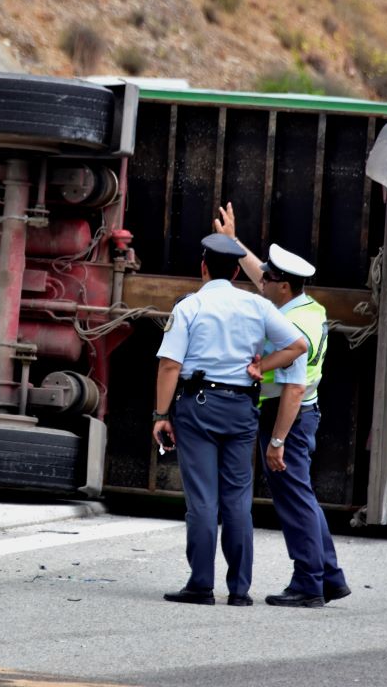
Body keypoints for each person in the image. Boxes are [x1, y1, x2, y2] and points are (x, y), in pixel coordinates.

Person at [152, 233, 307, 607]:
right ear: (237, 270)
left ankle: (201, 585)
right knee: (238, 500)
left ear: (203, 268)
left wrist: (161, 415)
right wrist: (261, 366)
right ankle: (239, 590)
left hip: (198, 407)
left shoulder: (190, 306)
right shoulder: (258, 306)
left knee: (203, 499)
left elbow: (171, 364)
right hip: (241, 409)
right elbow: (298, 345)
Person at [213, 202, 351, 609]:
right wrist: (233, 241)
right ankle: (328, 575)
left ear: (284, 287)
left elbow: (292, 389)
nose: (261, 282)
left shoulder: (294, 325)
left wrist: (277, 441)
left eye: (269, 279)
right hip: (297, 414)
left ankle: (309, 583)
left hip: (289, 416)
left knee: (294, 499)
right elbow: (258, 273)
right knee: (301, 495)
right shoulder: (302, 307)